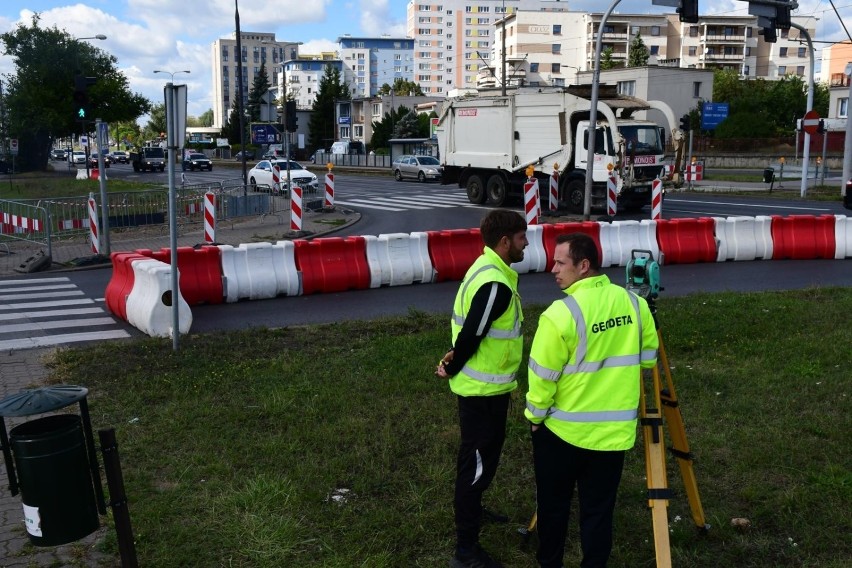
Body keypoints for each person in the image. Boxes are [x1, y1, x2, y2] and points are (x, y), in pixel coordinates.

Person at [525, 233, 659, 568]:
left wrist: (535, 418)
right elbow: (647, 360)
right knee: (598, 513)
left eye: (560, 263)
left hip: (560, 435)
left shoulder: (559, 314)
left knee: (554, 509)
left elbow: (541, 377)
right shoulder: (635, 304)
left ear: (584, 266)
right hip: (612, 437)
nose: (552, 269)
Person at [436, 209, 528, 568]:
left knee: (482, 460)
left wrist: (452, 357)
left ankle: (473, 506)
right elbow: (473, 333)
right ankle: (465, 550)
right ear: (504, 242)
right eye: (521, 238)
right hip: (480, 391)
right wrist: (452, 364)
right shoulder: (496, 283)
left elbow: (472, 328)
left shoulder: (489, 267)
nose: (525, 243)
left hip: (489, 388)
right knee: (474, 466)